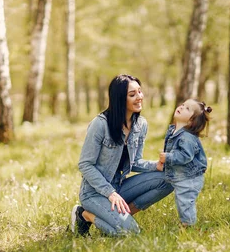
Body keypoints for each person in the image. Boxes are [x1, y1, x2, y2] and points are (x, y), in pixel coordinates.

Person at [70, 74, 173, 236]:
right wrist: (110, 193)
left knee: (169, 178)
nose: (139, 97)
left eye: (140, 92)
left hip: (119, 188)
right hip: (94, 193)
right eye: (132, 95)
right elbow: (85, 165)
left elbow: (135, 162)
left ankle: (120, 216)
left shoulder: (141, 124)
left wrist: (156, 165)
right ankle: (85, 215)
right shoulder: (100, 124)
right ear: (119, 99)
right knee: (131, 233)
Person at [159, 99, 211, 227]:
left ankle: (188, 226)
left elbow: (186, 156)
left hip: (190, 177)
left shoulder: (187, 137)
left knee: (185, 202)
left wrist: (169, 157)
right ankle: (186, 222)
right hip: (182, 176)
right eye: (182, 105)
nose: (181, 107)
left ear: (191, 121)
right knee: (181, 200)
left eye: (187, 109)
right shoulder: (174, 130)